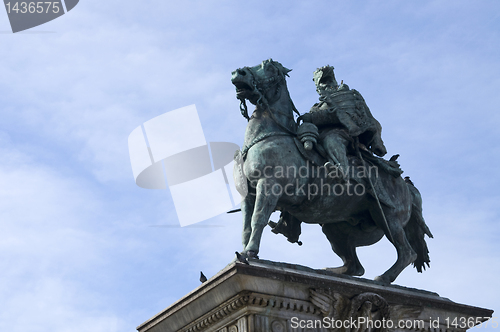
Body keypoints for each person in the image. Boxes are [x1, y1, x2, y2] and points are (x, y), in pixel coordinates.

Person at [299, 65, 387, 176]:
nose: (328, 84)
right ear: (318, 88)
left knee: (332, 140)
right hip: (320, 136)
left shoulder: (352, 97)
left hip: (346, 135)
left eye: (330, 80)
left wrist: (376, 141)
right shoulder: (316, 107)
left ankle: (341, 171)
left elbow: (367, 119)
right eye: (323, 82)